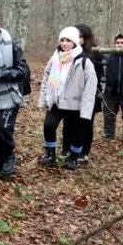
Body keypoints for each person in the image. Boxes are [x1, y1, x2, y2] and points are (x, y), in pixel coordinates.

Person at [38, 26, 98, 171]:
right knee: (49, 125)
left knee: (76, 132)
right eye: (62, 40)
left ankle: (73, 158)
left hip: (75, 103)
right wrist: (44, 98)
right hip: (56, 100)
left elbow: (90, 86)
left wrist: (86, 109)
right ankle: (50, 154)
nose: (64, 43)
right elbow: (46, 78)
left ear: (75, 43)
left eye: (68, 40)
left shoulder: (84, 61)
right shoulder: (55, 58)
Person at [0, 13, 31, 177]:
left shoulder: (12, 46)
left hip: (8, 96)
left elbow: (23, 70)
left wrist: (0, 74)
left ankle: (9, 156)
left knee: (1, 128)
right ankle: (0, 161)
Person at [74, 23, 106, 164]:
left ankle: (84, 152)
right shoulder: (70, 51)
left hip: (91, 95)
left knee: (86, 123)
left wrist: (99, 95)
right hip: (72, 95)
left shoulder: (96, 53)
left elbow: (102, 76)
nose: (78, 39)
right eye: (76, 36)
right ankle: (72, 149)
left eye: (81, 36)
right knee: (73, 123)